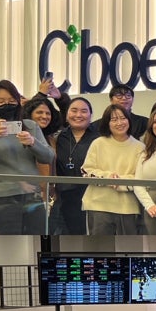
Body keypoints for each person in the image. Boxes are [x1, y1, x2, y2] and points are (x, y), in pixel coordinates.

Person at [0, 79, 54, 234]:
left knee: (37, 246)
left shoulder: (30, 126)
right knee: (8, 251)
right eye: (1, 101)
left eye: (12, 101)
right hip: (1, 200)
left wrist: (33, 143)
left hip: (33, 197)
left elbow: (48, 157)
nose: (7, 104)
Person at [81, 103, 144, 234]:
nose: (119, 123)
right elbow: (86, 170)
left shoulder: (139, 147)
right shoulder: (98, 143)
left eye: (123, 118)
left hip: (128, 207)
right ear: (107, 123)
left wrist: (120, 181)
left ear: (129, 120)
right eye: (114, 119)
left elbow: (141, 176)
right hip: (98, 204)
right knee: (100, 248)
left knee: (128, 249)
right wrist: (107, 177)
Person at [50, 97, 97, 234]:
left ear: (90, 115)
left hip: (90, 196)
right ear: (66, 115)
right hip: (64, 199)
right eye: (74, 110)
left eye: (83, 111)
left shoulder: (99, 137)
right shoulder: (58, 137)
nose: (78, 115)